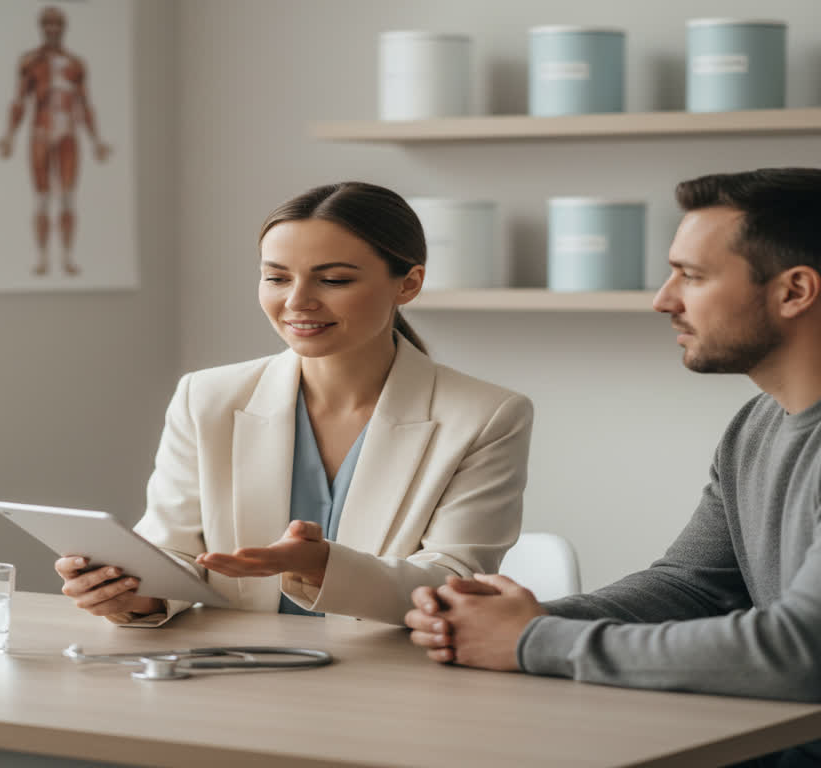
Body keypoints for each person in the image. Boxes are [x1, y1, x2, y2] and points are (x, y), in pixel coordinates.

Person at [406, 168, 821, 766]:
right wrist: (507, 620)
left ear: (794, 291)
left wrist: (532, 641)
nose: (664, 299)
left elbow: (801, 652)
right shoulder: (757, 425)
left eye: (692, 276)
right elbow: (691, 586)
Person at [55, 181, 533, 626]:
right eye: (277, 278)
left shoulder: (486, 415)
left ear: (408, 284)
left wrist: (327, 568)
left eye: (335, 281)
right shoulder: (207, 397)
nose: (297, 302)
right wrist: (135, 593)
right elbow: (175, 551)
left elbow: (454, 582)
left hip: (391, 680)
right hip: (235, 671)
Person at [0, 5, 111, 277]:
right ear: (41, 27)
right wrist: (9, 136)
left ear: (64, 28)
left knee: (69, 198)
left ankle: (68, 257)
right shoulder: (30, 63)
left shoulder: (75, 64)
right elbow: (20, 101)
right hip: (41, 133)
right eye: (47, 24)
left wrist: (96, 141)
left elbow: (85, 104)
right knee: (42, 198)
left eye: (57, 24)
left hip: (68, 134)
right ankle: (42, 258)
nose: (52, 30)